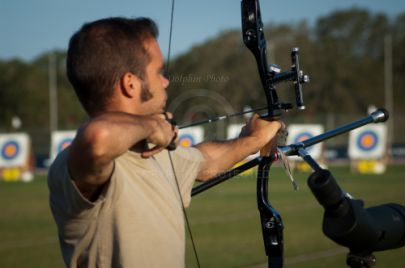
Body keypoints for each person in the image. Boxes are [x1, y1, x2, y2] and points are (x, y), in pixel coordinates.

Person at [47, 17, 282, 268]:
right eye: (159, 73)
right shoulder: (79, 165)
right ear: (130, 84)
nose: (166, 81)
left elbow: (206, 162)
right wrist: (152, 126)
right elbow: (97, 138)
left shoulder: (155, 153)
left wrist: (253, 139)